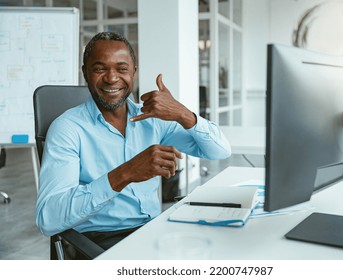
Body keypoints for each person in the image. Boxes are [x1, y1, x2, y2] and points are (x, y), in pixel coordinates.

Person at [35, 31, 231, 257]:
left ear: (134, 72)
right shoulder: (67, 128)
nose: (111, 78)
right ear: (85, 73)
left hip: (152, 233)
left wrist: (183, 113)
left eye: (122, 69)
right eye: (100, 69)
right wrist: (126, 173)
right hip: (101, 242)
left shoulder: (152, 118)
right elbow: (48, 219)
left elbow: (220, 150)